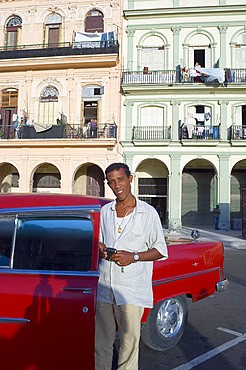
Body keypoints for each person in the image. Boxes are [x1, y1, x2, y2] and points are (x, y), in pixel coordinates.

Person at [95, 162, 168, 370]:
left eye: (120, 179)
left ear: (130, 179)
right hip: (105, 289)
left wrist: (133, 256)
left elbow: (160, 250)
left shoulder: (147, 213)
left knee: (128, 346)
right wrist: (100, 248)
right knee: (101, 343)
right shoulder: (105, 211)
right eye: (111, 182)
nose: (117, 185)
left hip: (131, 291)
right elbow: (98, 240)